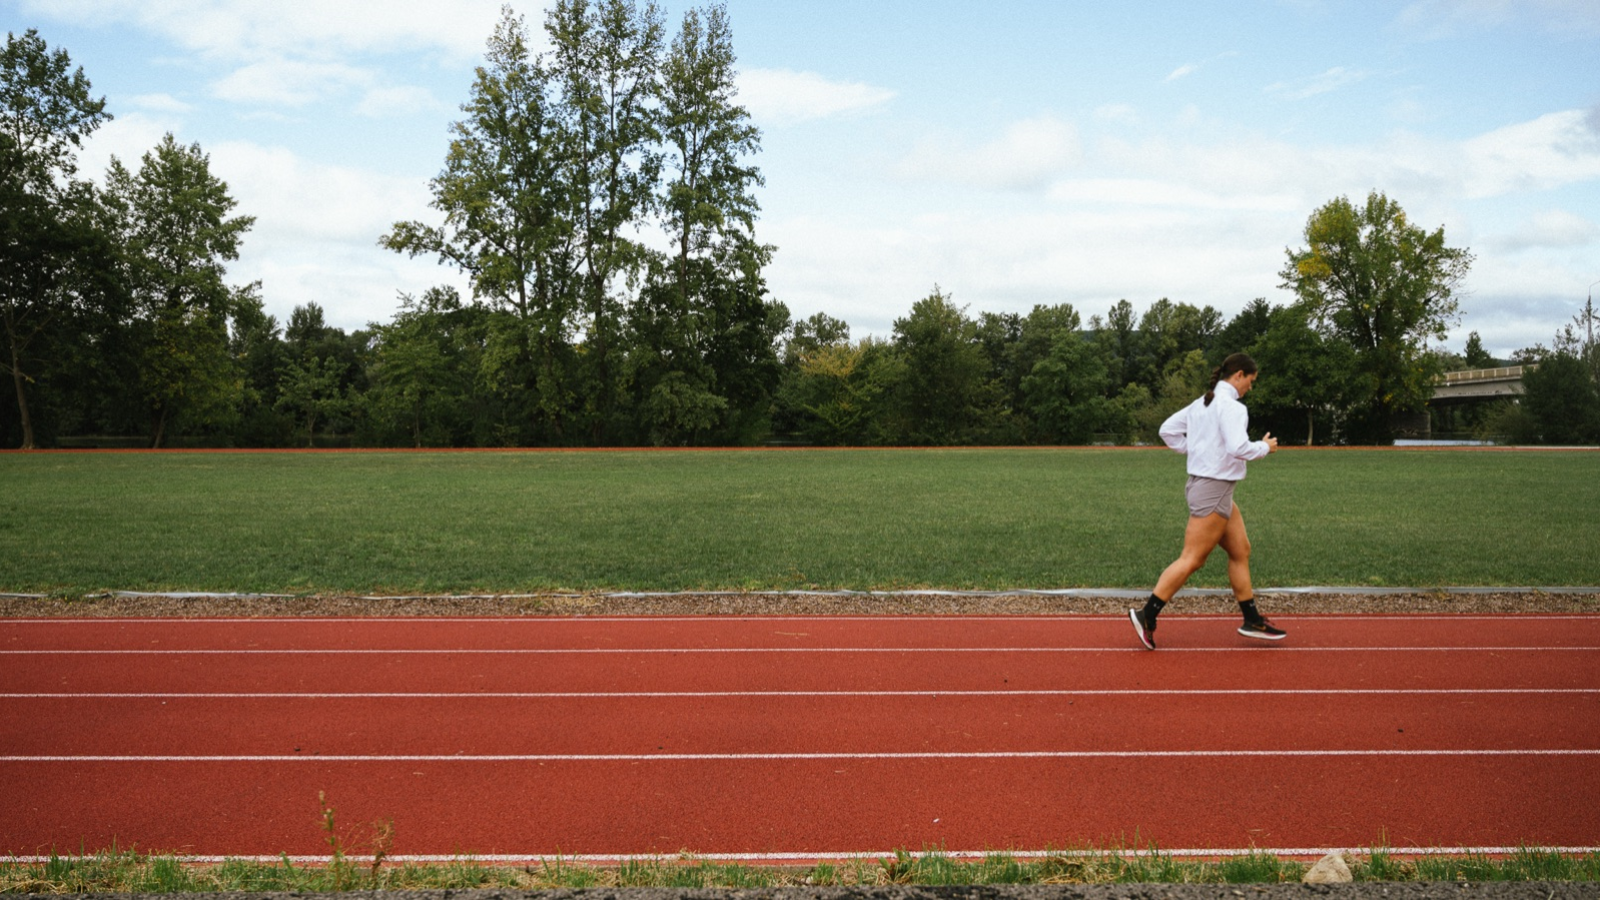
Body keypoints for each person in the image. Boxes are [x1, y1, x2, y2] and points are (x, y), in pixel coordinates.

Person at [1129, 352, 1284, 649]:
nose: (1250, 387)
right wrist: (1264, 447)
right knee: (1192, 558)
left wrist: (1198, 450)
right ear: (1238, 375)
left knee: (1240, 549)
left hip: (1212, 487)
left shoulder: (1203, 403)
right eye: (1250, 381)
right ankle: (1146, 614)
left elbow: (1167, 431)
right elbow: (1239, 447)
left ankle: (1252, 619)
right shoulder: (1232, 407)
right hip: (1213, 489)